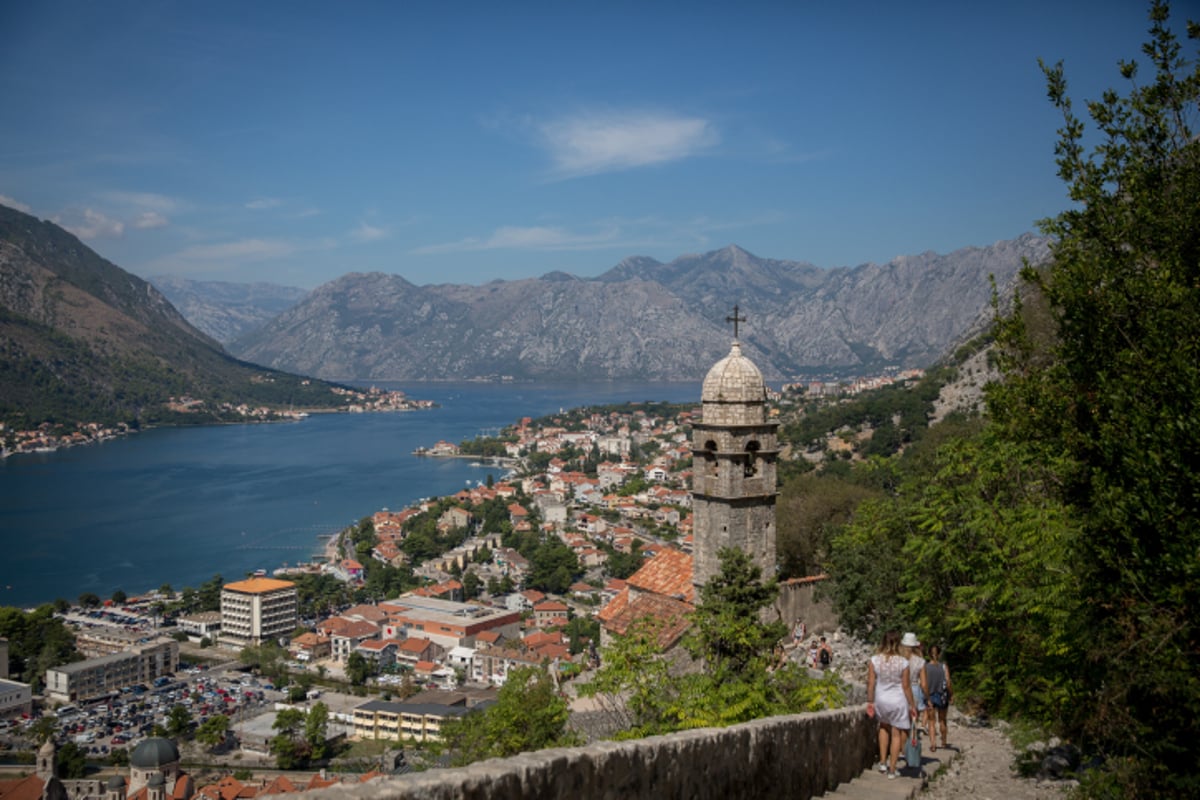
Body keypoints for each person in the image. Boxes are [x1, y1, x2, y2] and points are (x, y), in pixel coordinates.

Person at [866, 630, 917, 779]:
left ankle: (882, 762)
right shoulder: (903, 662)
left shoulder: (875, 660)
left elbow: (871, 683)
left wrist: (870, 701)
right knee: (896, 734)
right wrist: (912, 705)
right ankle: (892, 769)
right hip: (898, 700)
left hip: (881, 699)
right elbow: (906, 687)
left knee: (883, 727)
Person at [900, 631, 928, 748]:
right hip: (914, 690)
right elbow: (924, 683)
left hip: (899, 690)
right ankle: (907, 748)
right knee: (911, 722)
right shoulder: (920, 661)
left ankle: (898, 748)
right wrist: (928, 697)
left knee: (899, 722)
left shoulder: (898, 659)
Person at [923, 645, 952, 750]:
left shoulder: (925, 667)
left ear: (929, 654)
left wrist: (926, 696)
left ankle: (933, 744)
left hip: (930, 696)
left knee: (931, 721)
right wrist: (951, 695)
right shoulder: (944, 666)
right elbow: (948, 682)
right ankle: (944, 742)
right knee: (942, 720)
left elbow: (924, 683)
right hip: (942, 696)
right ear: (939, 654)